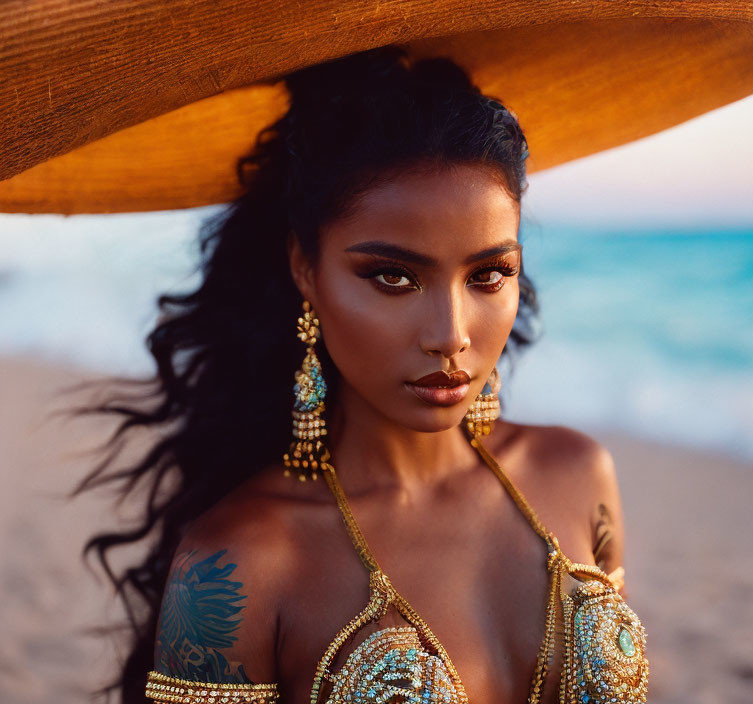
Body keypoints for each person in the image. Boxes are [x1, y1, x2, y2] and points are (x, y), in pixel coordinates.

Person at [77, 45, 648, 704]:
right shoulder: (238, 562)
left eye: (488, 274)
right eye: (393, 276)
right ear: (304, 269)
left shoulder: (578, 475)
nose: (451, 334)